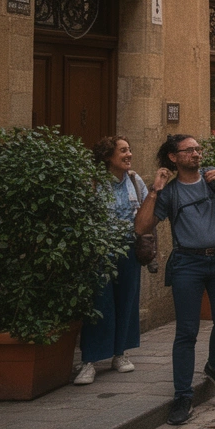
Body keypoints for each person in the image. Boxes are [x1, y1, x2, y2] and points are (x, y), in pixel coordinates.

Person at [135, 134, 215, 426]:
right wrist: (155, 190)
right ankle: (183, 396)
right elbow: (141, 227)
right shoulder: (171, 192)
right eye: (188, 150)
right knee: (187, 331)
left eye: (197, 149)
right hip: (188, 263)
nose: (196, 154)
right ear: (174, 157)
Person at [75, 136, 146, 386]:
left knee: (127, 301)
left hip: (128, 249)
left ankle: (120, 354)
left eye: (129, 150)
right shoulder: (93, 182)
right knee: (100, 302)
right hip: (100, 250)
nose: (128, 155)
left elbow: (147, 212)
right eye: (123, 151)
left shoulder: (135, 181)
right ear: (108, 156)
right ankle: (90, 361)